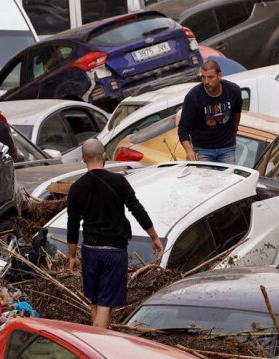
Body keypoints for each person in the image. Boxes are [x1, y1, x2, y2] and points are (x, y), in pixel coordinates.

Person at [66, 139, 163, 329]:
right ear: (104, 156)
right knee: (104, 304)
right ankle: (97, 346)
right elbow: (137, 209)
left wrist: (71, 255)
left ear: (83, 159)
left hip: (90, 250)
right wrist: (154, 236)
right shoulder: (118, 181)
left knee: (95, 300)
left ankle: (98, 337)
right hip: (113, 252)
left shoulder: (76, 188)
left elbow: (72, 223)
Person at [178, 60, 242, 164]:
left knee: (228, 179)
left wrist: (234, 132)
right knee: (207, 179)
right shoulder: (193, 97)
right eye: (203, 77)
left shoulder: (233, 90)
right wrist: (189, 151)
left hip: (227, 147)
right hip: (203, 149)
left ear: (219, 76)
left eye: (210, 77)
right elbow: (183, 128)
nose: (206, 81)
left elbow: (237, 113)